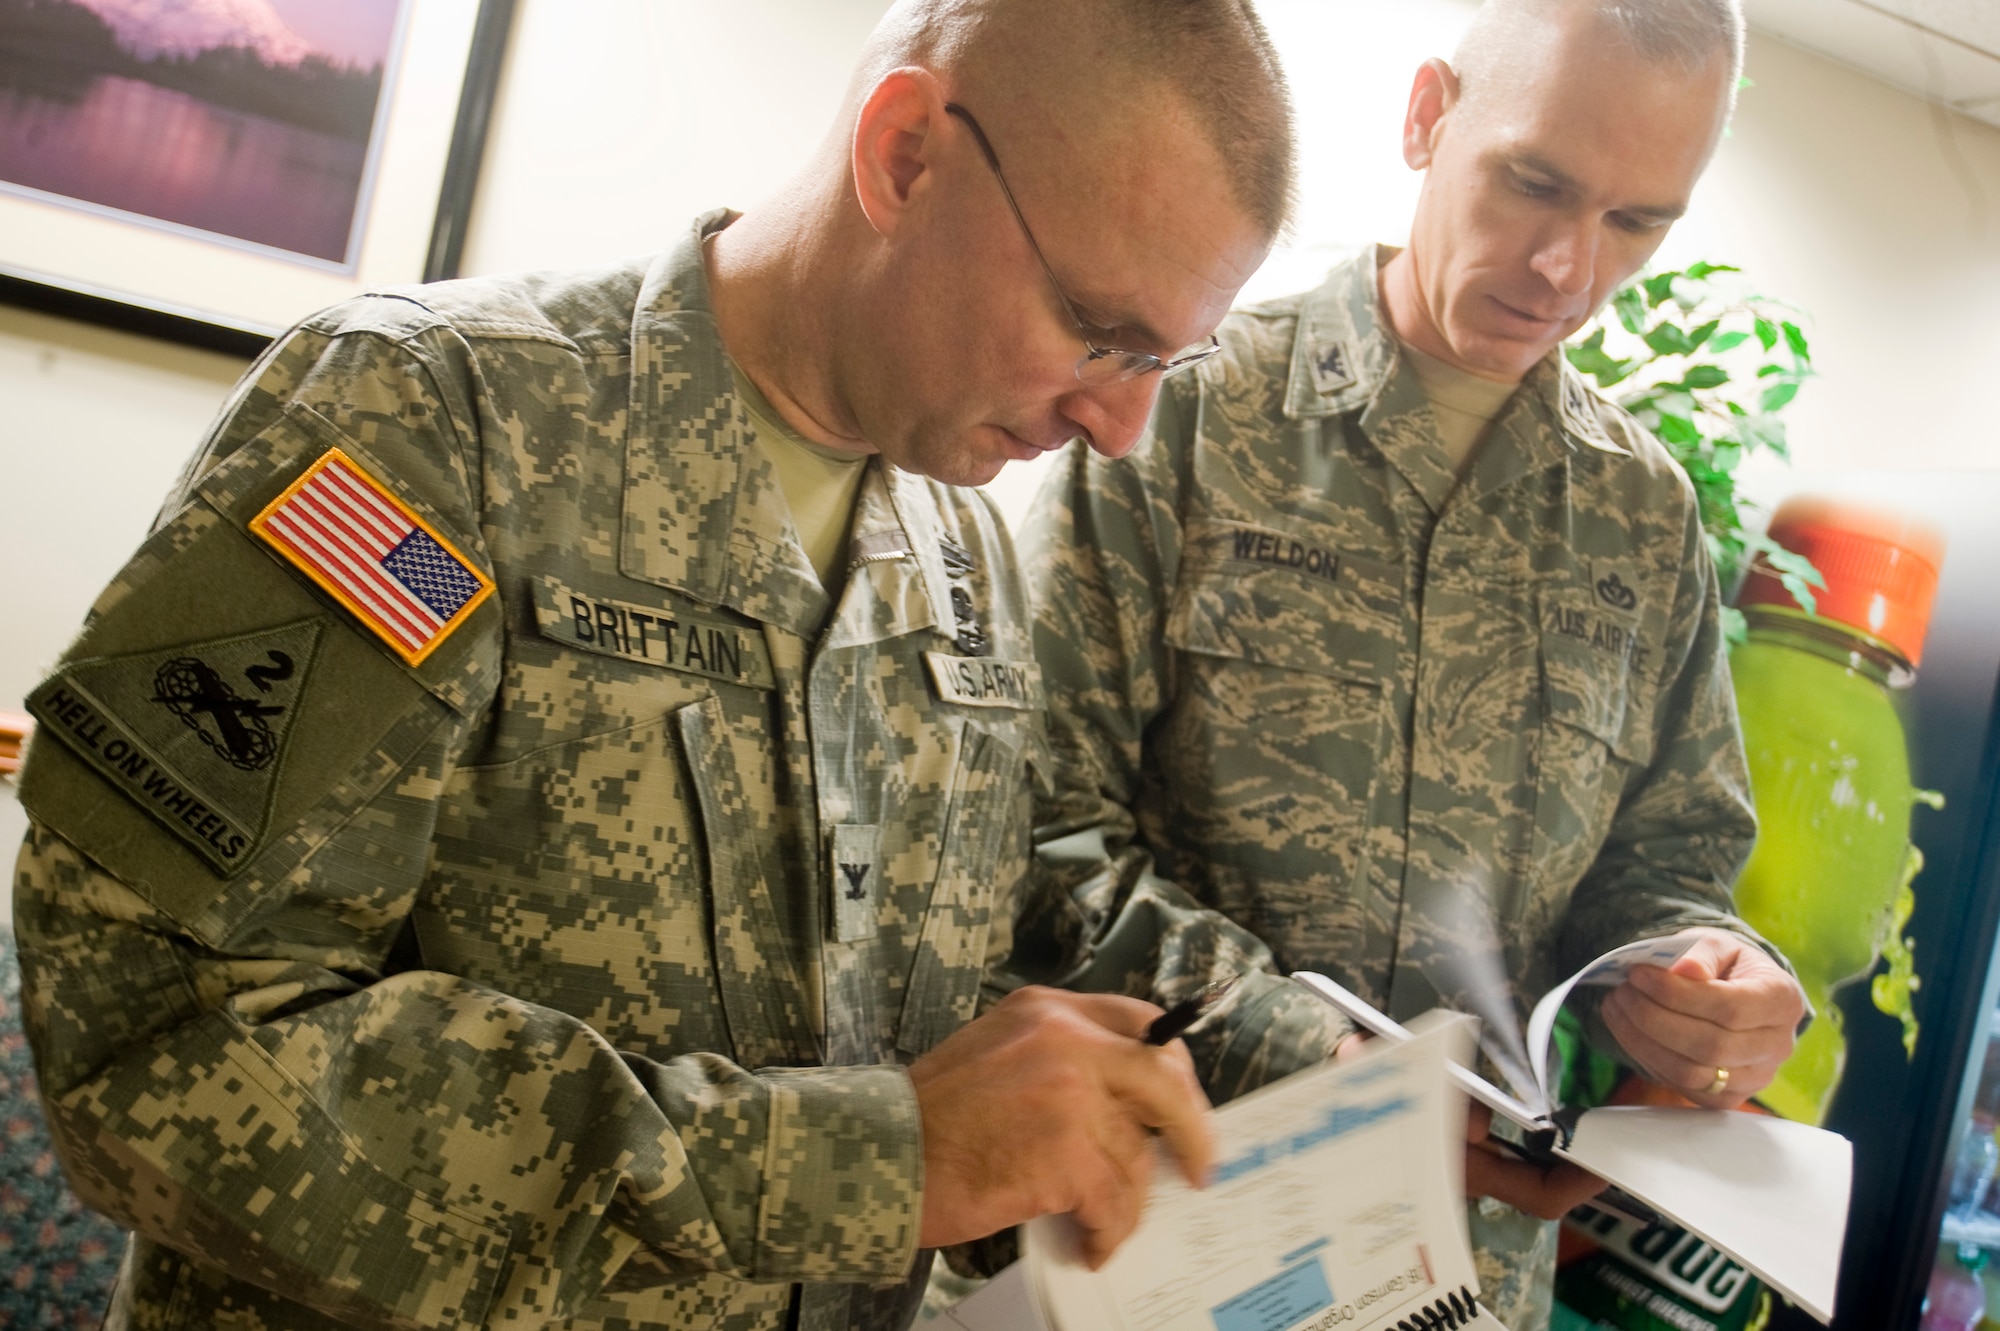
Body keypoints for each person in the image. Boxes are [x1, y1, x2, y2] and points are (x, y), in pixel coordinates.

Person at [9, 2, 1298, 1327]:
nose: (1123, 427)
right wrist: (873, 1160)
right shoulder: (429, 429)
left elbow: (913, 1005)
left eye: (1164, 360)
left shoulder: (961, 558)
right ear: (905, 155)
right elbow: (148, 1039)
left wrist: (1052, 1140)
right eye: (1095, 326)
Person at [1016, 1, 1810, 1327]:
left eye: (1636, 222)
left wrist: (1707, 989)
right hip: (1161, 1231)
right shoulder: (1186, 409)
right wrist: (1317, 1061)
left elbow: (1668, 866)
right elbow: (1024, 825)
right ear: (1427, 116)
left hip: (1453, 1275)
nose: (1565, 267)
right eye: (1535, 182)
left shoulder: (1643, 516)